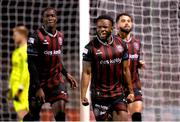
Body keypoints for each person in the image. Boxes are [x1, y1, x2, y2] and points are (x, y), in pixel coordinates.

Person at [23, 7, 78, 121]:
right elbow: (31, 64)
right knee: (33, 116)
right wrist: (38, 87)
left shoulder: (60, 36)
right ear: (42, 19)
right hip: (39, 83)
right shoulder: (35, 37)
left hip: (56, 82)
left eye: (52, 15)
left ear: (57, 18)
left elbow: (56, 58)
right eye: (47, 16)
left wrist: (66, 74)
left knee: (61, 115)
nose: (50, 18)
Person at [81, 15, 134, 121]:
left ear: (112, 28)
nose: (101, 30)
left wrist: (131, 91)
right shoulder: (90, 48)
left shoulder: (121, 45)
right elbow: (86, 72)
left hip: (118, 93)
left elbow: (125, 70)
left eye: (105, 27)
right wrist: (83, 95)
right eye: (99, 27)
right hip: (99, 96)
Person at [116, 13, 145, 121]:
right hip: (116, 87)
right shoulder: (112, 43)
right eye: (123, 21)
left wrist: (139, 63)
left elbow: (134, 60)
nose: (127, 23)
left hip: (133, 84)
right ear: (117, 25)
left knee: (137, 114)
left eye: (129, 21)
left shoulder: (136, 43)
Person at [9, 25, 29, 121]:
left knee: (25, 115)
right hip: (15, 88)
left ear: (22, 35)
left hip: (24, 89)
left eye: (15, 34)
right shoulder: (16, 52)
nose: (14, 37)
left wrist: (20, 89)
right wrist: (10, 88)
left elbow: (27, 71)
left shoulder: (27, 50)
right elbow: (15, 72)